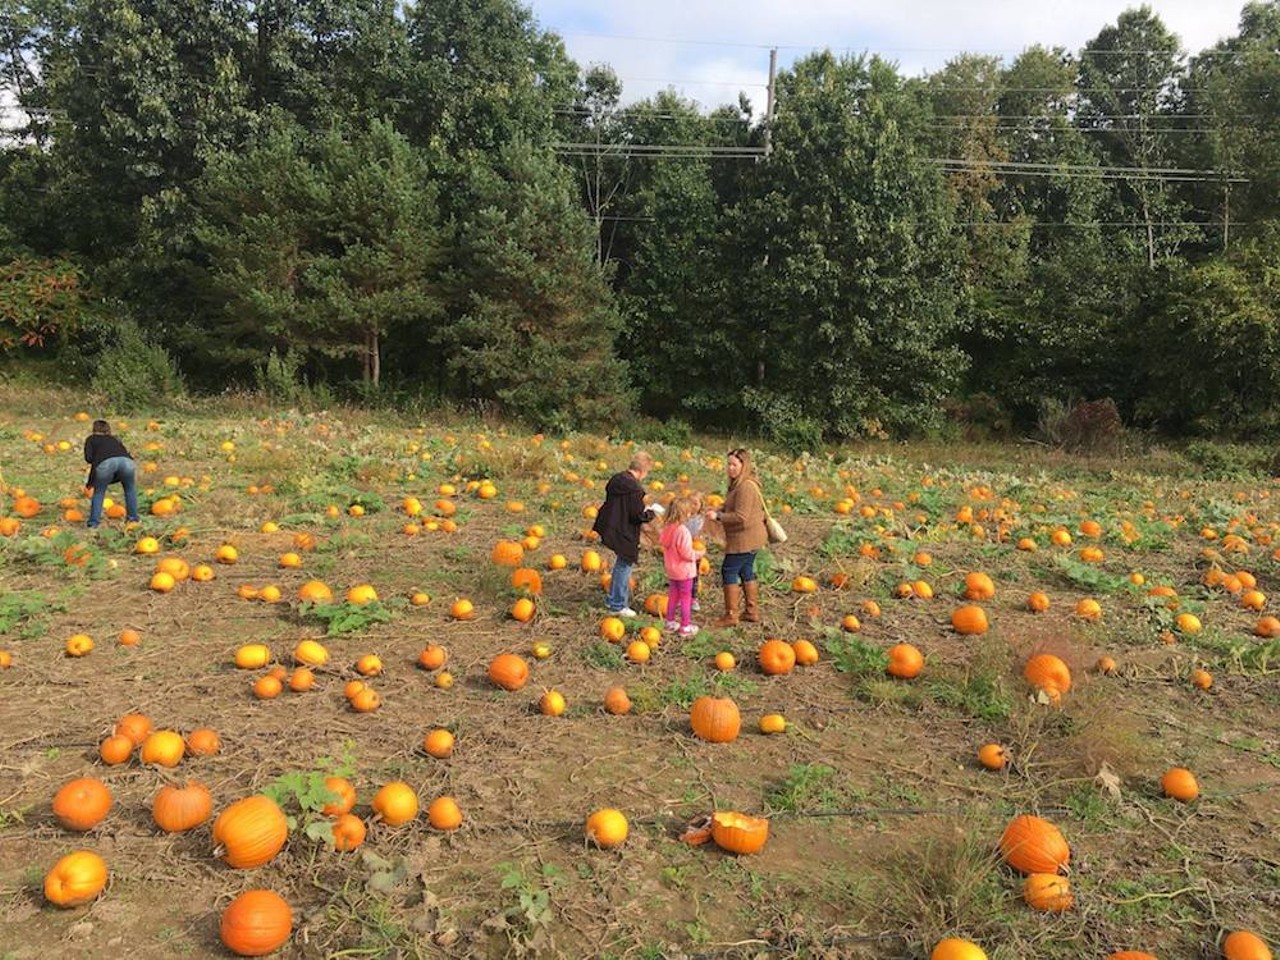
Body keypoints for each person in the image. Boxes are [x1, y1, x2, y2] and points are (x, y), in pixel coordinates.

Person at [705, 447, 768, 626]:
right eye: (728, 464)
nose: (730, 468)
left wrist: (718, 516)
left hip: (745, 539)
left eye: (734, 464)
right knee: (746, 570)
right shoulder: (738, 484)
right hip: (749, 538)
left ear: (744, 465)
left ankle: (731, 615)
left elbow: (741, 516)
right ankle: (751, 611)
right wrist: (718, 509)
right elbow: (732, 506)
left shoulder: (746, 486)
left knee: (729, 570)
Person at [592, 451, 659, 617]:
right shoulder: (635, 489)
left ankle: (612, 599)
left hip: (612, 525)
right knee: (625, 564)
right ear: (643, 471)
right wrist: (652, 512)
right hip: (624, 530)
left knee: (621, 564)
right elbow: (637, 515)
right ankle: (617, 605)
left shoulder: (617, 479)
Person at [660, 496, 706, 637]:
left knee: (673, 595)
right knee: (686, 598)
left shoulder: (667, 529)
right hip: (684, 571)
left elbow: (663, 543)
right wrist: (699, 554)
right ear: (684, 513)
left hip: (671, 570)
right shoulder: (682, 531)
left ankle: (669, 622)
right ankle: (685, 627)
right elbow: (686, 553)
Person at [83, 419, 140, 528]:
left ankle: (94, 523)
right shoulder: (114, 439)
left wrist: (90, 483)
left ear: (94, 429)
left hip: (106, 464)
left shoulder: (91, 439)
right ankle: (133, 519)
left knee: (99, 493)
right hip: (127, 462)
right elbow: (125, 454)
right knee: (130, 489)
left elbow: (90, 459)